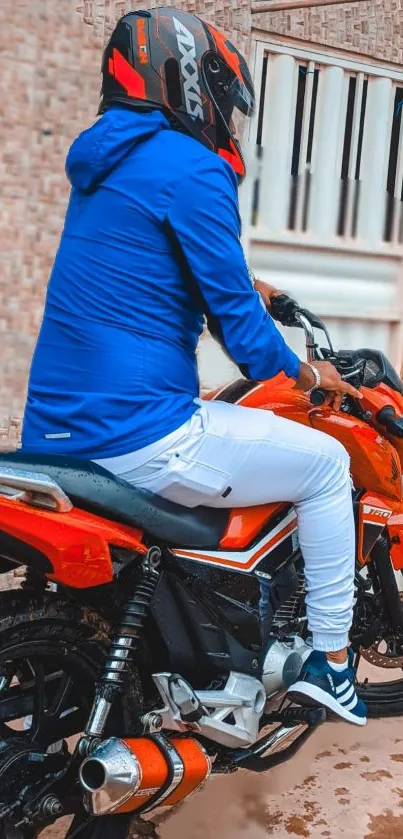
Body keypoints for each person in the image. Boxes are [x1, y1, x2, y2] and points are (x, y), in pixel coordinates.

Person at [21, 7, 366, 726]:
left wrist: (259, 290)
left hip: (58, 433)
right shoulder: (192, 166)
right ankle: (332, 665)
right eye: (222, 102)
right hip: (140, 433)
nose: (225, 125)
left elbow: (176, 270)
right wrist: (311, 377)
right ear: (188, 83)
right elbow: (240, 333)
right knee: (326, 464)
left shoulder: (110, 165)